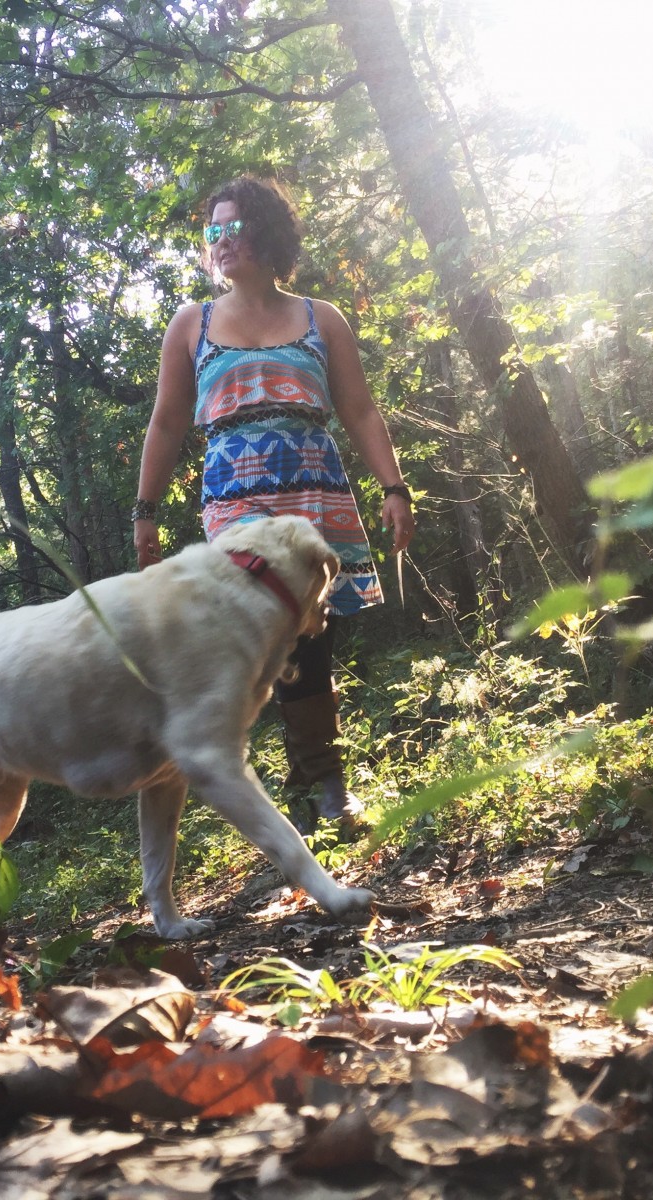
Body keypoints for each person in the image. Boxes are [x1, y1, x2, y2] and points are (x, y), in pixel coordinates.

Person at [132, 175, 415, 828]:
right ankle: (300, 788)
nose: (222, 241)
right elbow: (167, 423)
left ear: (268, 231)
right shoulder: (191, 323)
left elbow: (361, 410)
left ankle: (323, 787)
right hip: (236, 507)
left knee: (313, 638)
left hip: (316, 493)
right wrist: (145, 513)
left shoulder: (322, 317)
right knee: (266, 639)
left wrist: (394, 488)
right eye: (213, 231)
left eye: (235, 226)